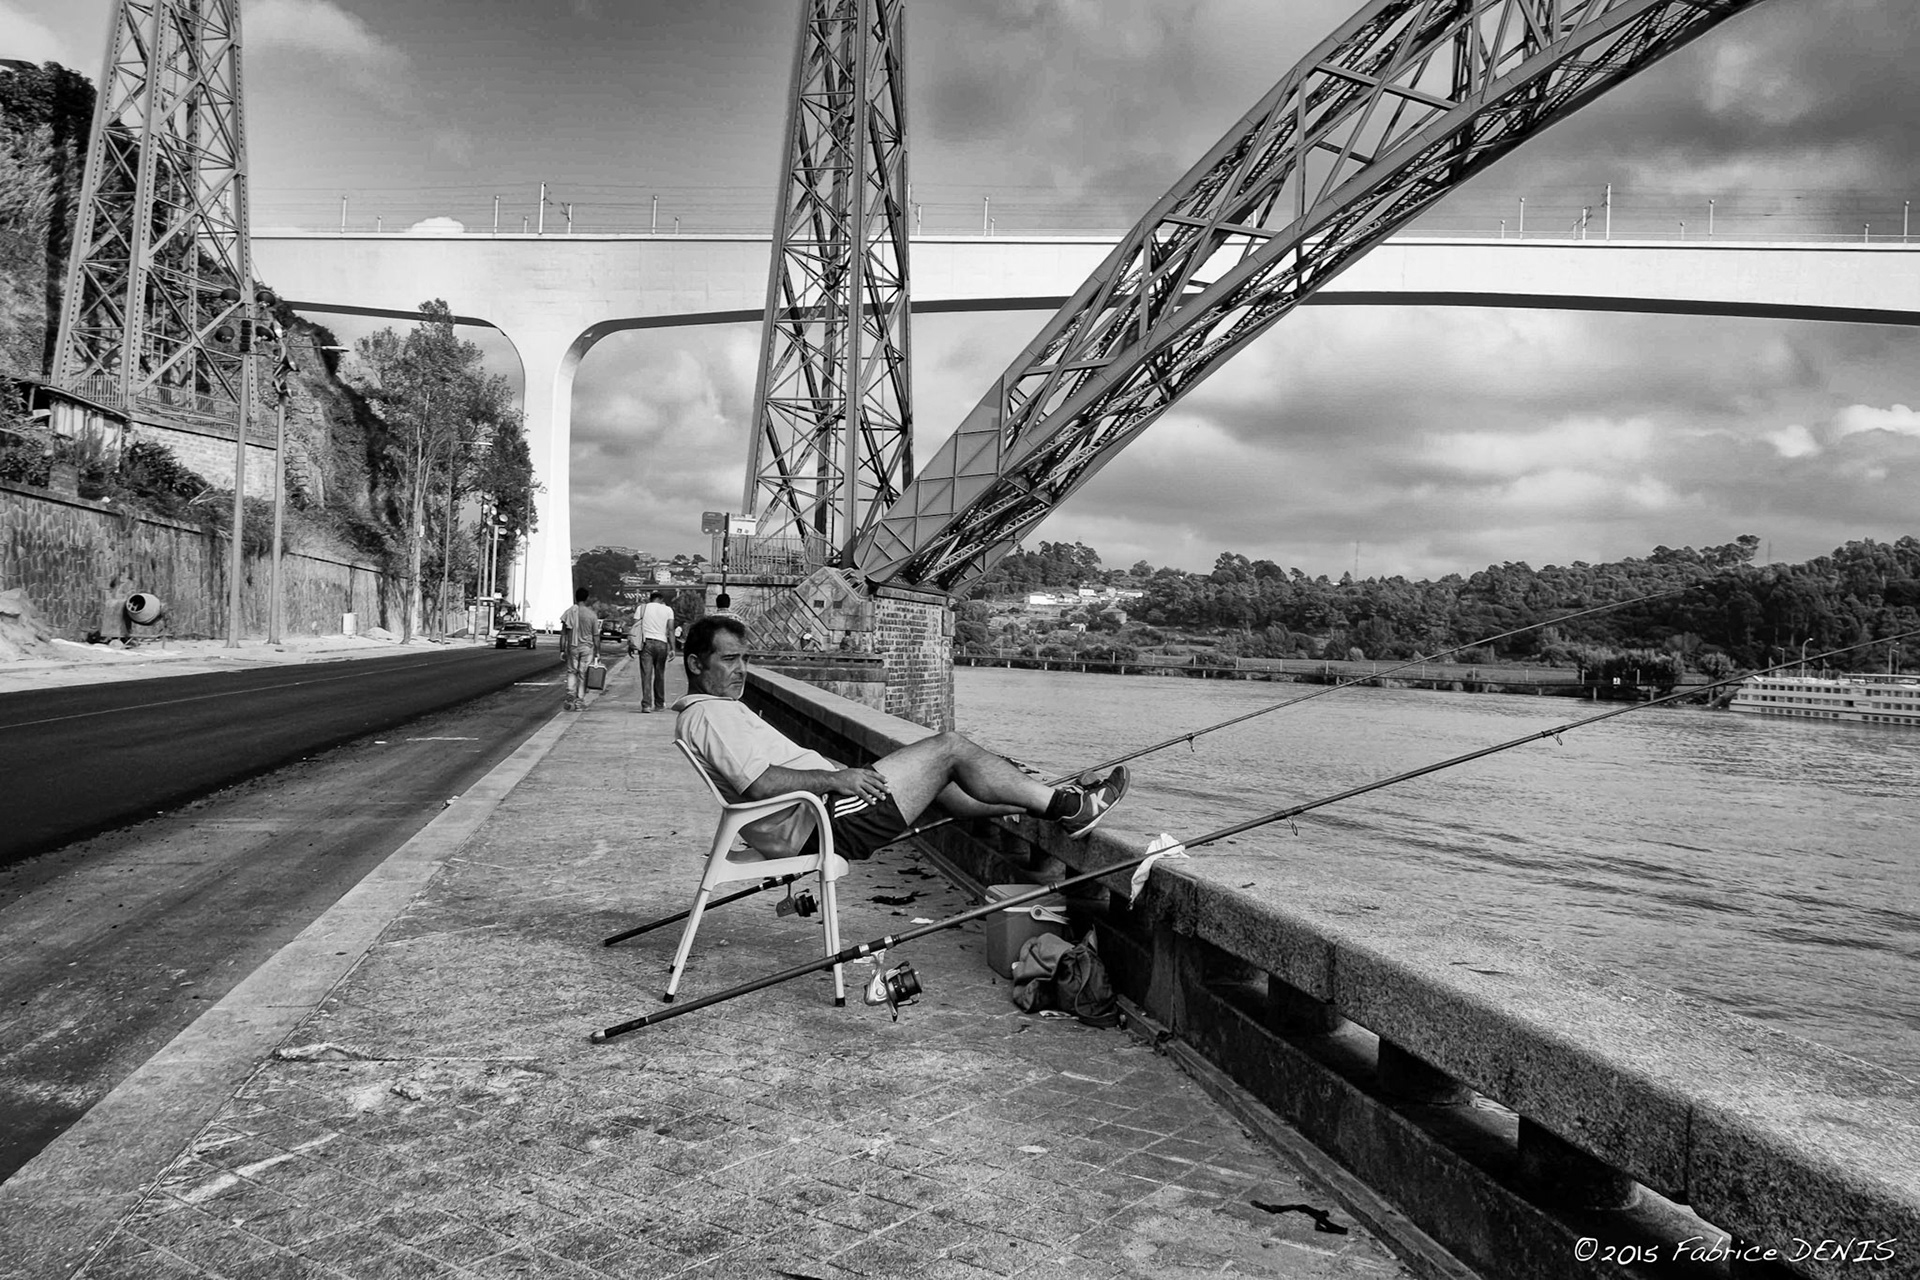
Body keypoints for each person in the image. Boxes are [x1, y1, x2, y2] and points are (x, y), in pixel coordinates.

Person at [673, 615, 1129, 862]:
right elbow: (761, 785)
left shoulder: (714, 713)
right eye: (730, 660)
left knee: (949, 785)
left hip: (812, 819)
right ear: (696, 664)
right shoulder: (712, 717)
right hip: (824, 821)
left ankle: (1059, 800)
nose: (741, 671)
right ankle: (1070, 806)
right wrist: (838, 779)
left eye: (744, 659)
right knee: (950, 747)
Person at [558, 587, 599, 712]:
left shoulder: (569, 612)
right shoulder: (592, 615)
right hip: (587, 648)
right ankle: (579, 701)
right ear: (586, 599)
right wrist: (597, 652)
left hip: (573, 647)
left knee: (572, 671)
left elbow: (563, 634)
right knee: (583, 674)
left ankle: (570, 694)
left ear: (576, 597)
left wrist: (562, 650)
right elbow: (596, 636)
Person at [636, 590, 675, 713]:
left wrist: (631, 646)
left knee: (646, 675)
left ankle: (646, 705)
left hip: (646, 643)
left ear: (650, 599)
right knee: (660, 674)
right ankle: (659, 704)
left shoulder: (642, 609)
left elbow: (635, 629)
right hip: (662, 643)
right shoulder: (668, 610)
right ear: (661, 600)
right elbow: (671, 630)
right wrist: (673, 648)